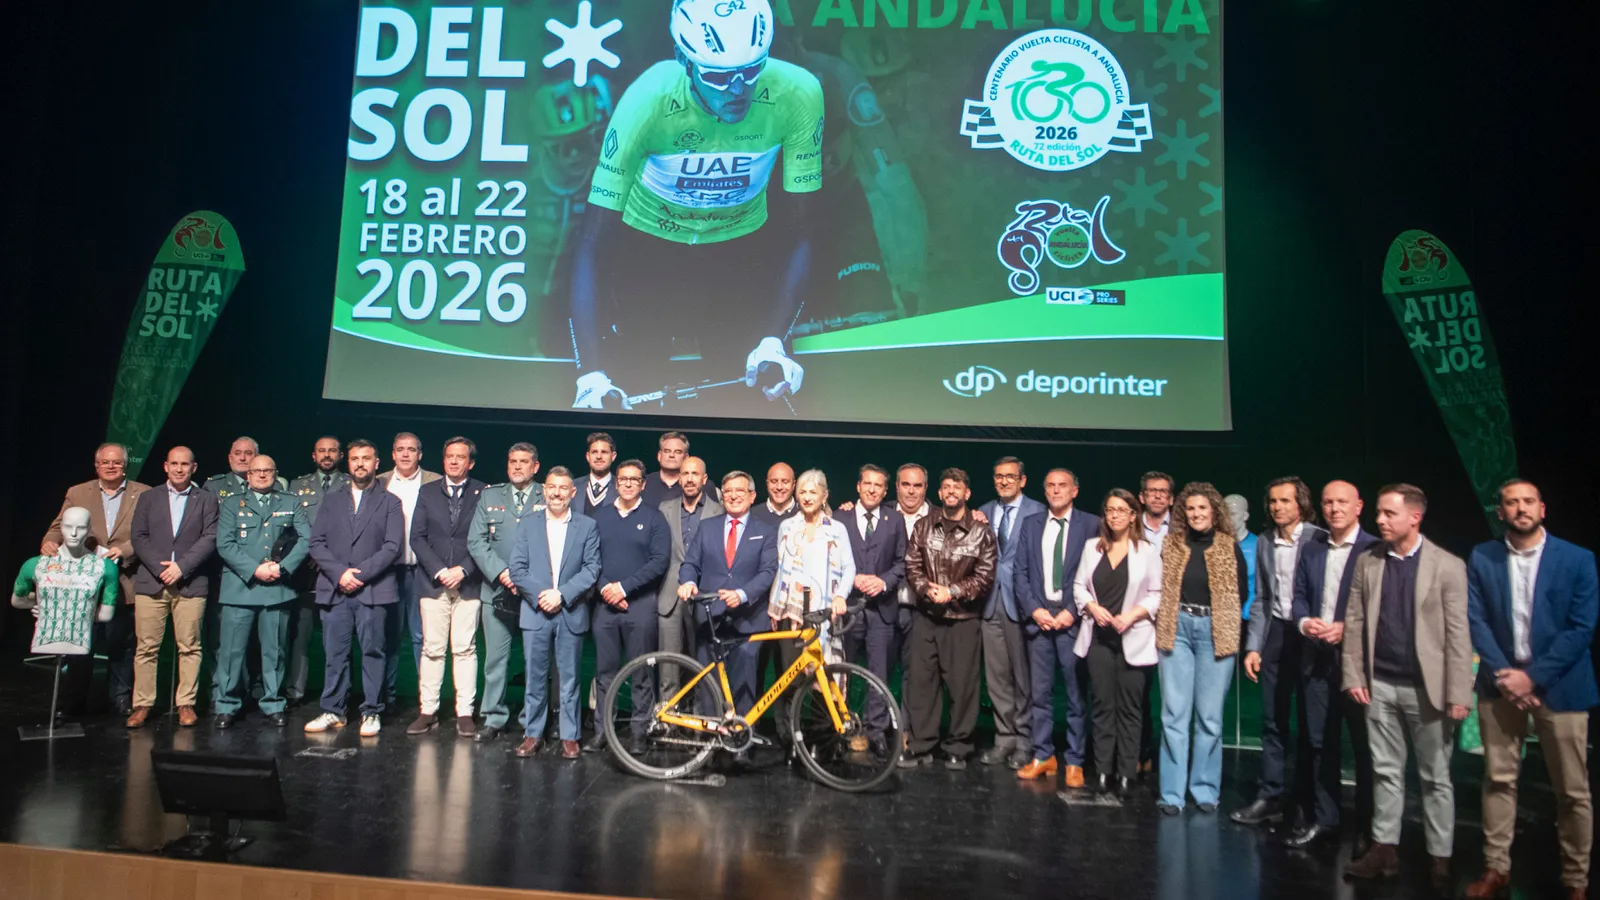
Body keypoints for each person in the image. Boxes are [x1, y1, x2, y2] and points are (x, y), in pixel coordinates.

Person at [568, 0, 821, 411]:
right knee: (635, 380)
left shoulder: (797, 93)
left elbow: (803, 232)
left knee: (748, 394)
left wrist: (774, 339)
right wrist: (590, 374)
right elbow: (592, 243)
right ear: (683, 60)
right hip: (649, 252)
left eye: (752, 70)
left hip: (737, 253)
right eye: (717, 76)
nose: (737, 89)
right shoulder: (647, 99)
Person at [1464, 480, 1596, 900]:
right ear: (1500, 512)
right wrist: (1508, 676)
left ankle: (1576, 880)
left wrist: (1532, 677)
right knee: (1499, 780)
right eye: (1511, 502)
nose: (1520, 508)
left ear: (1542, 508)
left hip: (1560, 686)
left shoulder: (1578, 559)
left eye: (1528, 501)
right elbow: (1476, 620)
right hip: (1501, 686)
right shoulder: (1482, 556)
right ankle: (1496, 867)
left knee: (1572, 790)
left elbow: (1581, 628)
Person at [1342, 484, 1470, 896]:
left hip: (1426, 690)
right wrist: (1354, 675)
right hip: (1379, 685)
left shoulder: (1447, 565)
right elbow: (1355, 621)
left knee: (1435, 777)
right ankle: (1385, 850)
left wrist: (1459, 692)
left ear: (1415, 517)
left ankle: (1440, 856)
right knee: (1385, 770)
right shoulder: (1369, 561)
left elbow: (1458, 634)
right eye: (1379, 513)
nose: (1380, 520)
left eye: (1388, 513)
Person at [1284, 480, 1380, 849]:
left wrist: (1348, 629)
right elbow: (1298, 597)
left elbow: (1382, 609)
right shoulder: (1312, 547)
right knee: (1319, 742)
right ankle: (1327, 820)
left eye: (1342, 502)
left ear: (1359, 506)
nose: (1334, 509)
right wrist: (1305, 623)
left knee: (1365, 747)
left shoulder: (1375, 549)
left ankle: (1369, 830)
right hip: (1317, 658)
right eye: (1328, 502)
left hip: (1359, 664)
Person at [1154, 481, 1248, 815]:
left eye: (1202, 508)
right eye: (1190, 508)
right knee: (1174, 715)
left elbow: (1241, 591)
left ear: (1214, 511)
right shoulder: (1172, 544)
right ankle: (1171, 794)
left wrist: (1222, 622)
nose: (1196, 514)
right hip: (1176, 629)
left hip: (1214, 632)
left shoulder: (1227, 546)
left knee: (1209, 718)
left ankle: (1205, 789)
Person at [1234, 477, 1323, 827]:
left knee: (1311, 723)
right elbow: (1261, 598)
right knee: (1273, 719)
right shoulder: (1265, 541)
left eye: (1285, 501)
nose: (1277, 507)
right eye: (1272, 501)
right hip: (1276, 634)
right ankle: (1270, 794)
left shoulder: (1318, 539)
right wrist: (1253, 646)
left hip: (1310, 637)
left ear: (1301, 503)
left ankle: (1306, 798)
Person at [42, 442, 151, 717]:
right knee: (79, 645)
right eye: (105, 462)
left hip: (125, 580)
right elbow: (58, 526)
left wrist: (125, 550)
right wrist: (49, 542)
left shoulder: (144, 493)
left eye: (116, 462)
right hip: (82, 582)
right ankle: (72, 702)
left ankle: (120, 699)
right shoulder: (78, 492)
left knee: (121, 645)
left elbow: (149, 533)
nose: (111, 466)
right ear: (96, 465)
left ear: (125, 465)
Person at [305, 439, 405, 738]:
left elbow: (392, 547)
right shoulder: (331, 500)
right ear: (348, 463)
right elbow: (316, 543)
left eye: (366, 458)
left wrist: (358, 575)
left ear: (377, 463)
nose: (360, 463)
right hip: (336, 588)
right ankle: (333, 710)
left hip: (372, 589)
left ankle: (371, 711)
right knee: (335, 653)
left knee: (373, 651)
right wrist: (340, 574)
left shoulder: (390, 502)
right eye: (354, 458)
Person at [899, 468, 997, 770]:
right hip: (927, 615)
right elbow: (912, 565)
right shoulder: (924, 526)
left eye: (957, 487)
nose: (951, 491)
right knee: (922, 684)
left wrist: (951, 592)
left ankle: (958, 746)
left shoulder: (982, 531)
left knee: (962, 687)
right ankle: (921, 744)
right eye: (946, 487)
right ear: (939, 493)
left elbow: (984, 577)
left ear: (967, 493)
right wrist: (927, 590)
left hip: (963, 619)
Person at [1012, 468, 1099, 784]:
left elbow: (1095, 575)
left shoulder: (1091, 525)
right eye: (1050, 485)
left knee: (1076, 695)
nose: (1056, 490)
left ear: (1075, 491)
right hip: (1040, 621)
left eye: (1063, 485)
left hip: (1072, 622)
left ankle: (1075, 760)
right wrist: (1035, 610)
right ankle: (1043, 755)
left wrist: (1073, 612)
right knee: (1040, 694)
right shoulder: (1031, 524)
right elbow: (1020, 573)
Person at [1071, 489, 1160, 796]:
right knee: (1102, 706)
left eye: (1122, 510)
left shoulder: (1146, 551)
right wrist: (1092, 608)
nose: (1115, 515)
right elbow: (1079, 586)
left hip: (1134, 638)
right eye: (1110, 510)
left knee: (1130, 709)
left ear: (1133, 515)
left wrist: (1132, 615)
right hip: (1098, 638)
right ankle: (1103, 770)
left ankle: (1126, 772)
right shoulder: (1092, 547)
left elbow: (1157, 594)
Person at [509, 467, 601, 760]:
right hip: (536, 611)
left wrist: (561, 595)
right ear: (544, 490)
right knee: (535, 677)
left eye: (563, 488)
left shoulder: (587, 526)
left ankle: (569, 735)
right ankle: (533, 733)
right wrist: (543, 596)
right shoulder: (528, 525)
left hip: (570, 610)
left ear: (572, 492)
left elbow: (592, 568)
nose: (557, 493)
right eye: (552, 487)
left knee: (570, 678)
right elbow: (517, 568)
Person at [212, 455, 310, 728]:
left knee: (275, 650)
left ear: (275, 473)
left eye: (268, 471)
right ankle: (226, 704)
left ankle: (273, 702)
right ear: (248, 475)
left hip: (277, 586)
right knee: (231, 651)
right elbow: (225, 543)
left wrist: (282, 568)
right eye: (257, 471)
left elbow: (306, 539)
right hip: (240, 587)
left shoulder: (290, 502)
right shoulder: (232, 503)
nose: (262, 475)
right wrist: (255, 569)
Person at [127, 446, 217, 728]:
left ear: (194, 468)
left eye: (185, 464)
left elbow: (210, 537)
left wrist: (182, 567)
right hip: (152, 582)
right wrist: (161, 568)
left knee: (190, 646)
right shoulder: (148, 497)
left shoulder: (207, 499)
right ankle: (142, 704)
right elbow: (138, 537)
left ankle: (186, 703)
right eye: (174, 464)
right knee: (146, 648)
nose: (179, 469)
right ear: (166, 466)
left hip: (190, 582)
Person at [768, 469, 856, 750]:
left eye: (813, 492)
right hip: (790, 614)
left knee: (823, 676)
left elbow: (848, 568)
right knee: (790, 679)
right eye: (803, 492)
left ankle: (822, 741)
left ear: (824, 496)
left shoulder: (836, 529)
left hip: (823, 614)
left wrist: (840, 596)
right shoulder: (787, 527)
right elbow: (780, 569)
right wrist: (776, 605)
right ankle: (791, 741)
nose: (807, 497)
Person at [677, 470, 779, 712]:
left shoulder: (766, 531)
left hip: (748, 620)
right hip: (710, 618)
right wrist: (688, 581)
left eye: (739, 491)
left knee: (744, 682)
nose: (733, 496)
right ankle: (710, 731)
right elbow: (690, 563)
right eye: (728, 491)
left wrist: (742, 594)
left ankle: (740, 731)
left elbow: (768, 572)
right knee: (709, 685)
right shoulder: (707, 527)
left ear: (752, 496)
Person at [587, 459, 670, 752]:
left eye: (634, 479)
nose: (628, 484)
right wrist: (605, 589)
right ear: (616, 482)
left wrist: (623, 588)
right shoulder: (600, 517)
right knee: (604, 673)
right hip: (605, 607)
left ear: (643, 484)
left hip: (640, 606)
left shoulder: (655, 518)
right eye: (623, 479)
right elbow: (590, 559)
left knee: (641, 673)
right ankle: (603, 732)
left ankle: (639, 733)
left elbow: (659, 562)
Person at [406, 437, 487, 738]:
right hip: (433, 582)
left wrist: (463, 570)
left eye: (460, 457)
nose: (454, 461)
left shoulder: (483, 492)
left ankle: (464, 712)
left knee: (465, 649)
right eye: (449, 456)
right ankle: (428, 711)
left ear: (471, 462)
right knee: (432, 648)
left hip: (469, 582)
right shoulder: (427, 491)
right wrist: (440, 571)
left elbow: (486, 538)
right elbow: (417, 538)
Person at [466, 442, 545, 744]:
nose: (517, 466)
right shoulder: (490, 496)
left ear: (535, 467)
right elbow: (476, 541)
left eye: (524, 462)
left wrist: (524, 579)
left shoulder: (546, 495)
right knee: (496, 660)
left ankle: (531, 720)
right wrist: (502, 572)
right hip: (497, 590)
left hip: (534, 594)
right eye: (513, 461)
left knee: (534, 662)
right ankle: (493, 717)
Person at [976, 457, 1044, 769]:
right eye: (999, 476)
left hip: (1022, 605)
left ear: (1022, 480)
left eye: (1010, 476)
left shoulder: (1038, 512)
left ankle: (1025, 741)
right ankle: (1004, 738)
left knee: (1023, 679)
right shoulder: (984, 511)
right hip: (990, 604)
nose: (1004, 481)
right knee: (997, 678)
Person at [839, 464, 907, 753]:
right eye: (867, 483)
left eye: (878, 485)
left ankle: (875, 730)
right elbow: (830, 561)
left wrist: (883, 582)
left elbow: (903, 562)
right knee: (841, 672)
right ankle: (840, 727)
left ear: (885, 490)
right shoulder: (839, 517)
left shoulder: (895, 520)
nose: (871, 489)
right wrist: (852, 579)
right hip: (847, 609)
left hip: (882, 610)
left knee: (879, 674)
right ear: (858, 486)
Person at [376, 432, 441, 708]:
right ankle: (385, 697)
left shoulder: (435, 482)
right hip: (387, 572)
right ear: (392, 454)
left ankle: (425, 701)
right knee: (387, 636)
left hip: (421, 571)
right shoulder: (379, 482)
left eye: (411, 449)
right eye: (400, 449)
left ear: (420, 454)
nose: (405, 454)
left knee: (421, 637)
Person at [286, 436, 350, 706]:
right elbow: (289, 527)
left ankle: (337, 694)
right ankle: (294, 691)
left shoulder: (351, 484)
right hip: (304, 572)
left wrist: (327, 558)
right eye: (322, 451)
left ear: (341, 455)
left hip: (337, 572)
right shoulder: (296, 486)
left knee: (337, 639)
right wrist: (310, 553)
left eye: (332, 450)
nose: (327, 455)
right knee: (299, 636)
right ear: (314, 456)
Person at [656, 456, 723, 687]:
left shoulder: (719, 511)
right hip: (670, 594)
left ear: (704, 479)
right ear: (679, 478)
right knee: (668, 665)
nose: (690, 479)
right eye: (685, 474)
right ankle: (669, 711)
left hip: (705, 593)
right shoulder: (665, 508)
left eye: (695, 474)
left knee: (703, 663)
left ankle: (700, 710)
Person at [203, 436, 284, 495]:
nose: (242, 458)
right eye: (237, 453)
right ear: (230, 458)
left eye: (248, 453)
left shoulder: (273, 485)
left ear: (257, 457)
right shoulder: (214, 486)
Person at [640, 432, 692, 508]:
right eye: (667, 451)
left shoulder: (696, 486)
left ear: (686, 458)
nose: (671, 455)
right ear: (659, 456)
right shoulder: (644, 483)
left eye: (678, 452)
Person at [574, 432, 617, 515]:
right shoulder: (573, 486)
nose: (599, 456)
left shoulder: (621, 488)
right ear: (588, 456)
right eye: (594, 452)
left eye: (604, 452)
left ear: (613, 456)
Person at [752, 462, 799, 527]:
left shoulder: (805, 514)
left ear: (793, 485)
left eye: (785, 482)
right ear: (767, 484)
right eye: (774, 481)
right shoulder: (752, 514)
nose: (779, 487)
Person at [1139, 471, 1174, 546]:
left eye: (1163, 491)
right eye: (1152, 491)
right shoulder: (1130, 527)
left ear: (1171, 499)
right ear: (1142, 497)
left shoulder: (1183, 528)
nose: (1157, 496)